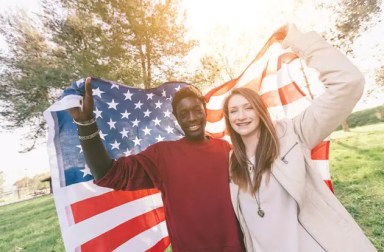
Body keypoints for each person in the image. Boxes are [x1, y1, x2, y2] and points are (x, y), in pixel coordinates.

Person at [222, 24, 376, 252]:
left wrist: (299, 40)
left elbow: (348, 82)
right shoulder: (232, 162)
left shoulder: (292, 134)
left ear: (260, 111)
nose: (241, 116)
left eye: (248, 108)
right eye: (234, 111)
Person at [68, 80, 245, 251]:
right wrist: (86, 124)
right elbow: (108, 174)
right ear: (176, 117)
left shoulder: (226, 150)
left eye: (196, 110)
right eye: (183, 114)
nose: (191, 118)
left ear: (204, 111)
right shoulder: (162, 155)